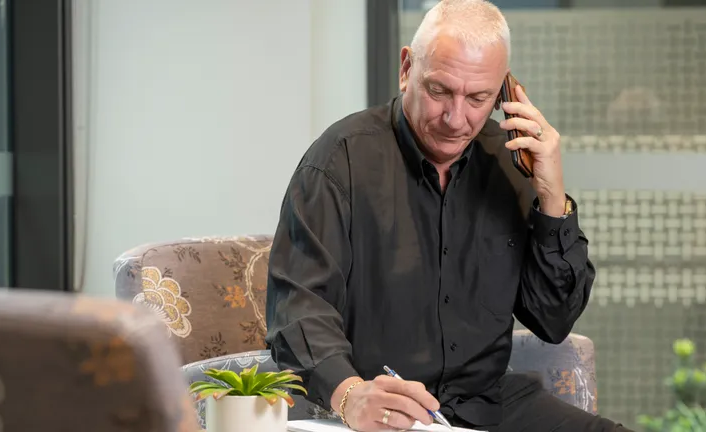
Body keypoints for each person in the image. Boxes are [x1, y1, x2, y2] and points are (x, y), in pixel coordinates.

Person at [265, 0, 632, 430]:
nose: (456, 119)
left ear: (503, 94)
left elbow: (553, 319)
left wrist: (552, 197)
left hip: (487, 405)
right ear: (406, 69)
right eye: (439, 91)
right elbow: (298, 305)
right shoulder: (339, 160)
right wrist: (349, 393)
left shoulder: (511, 164)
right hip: (384, 405)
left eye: (478, 98)